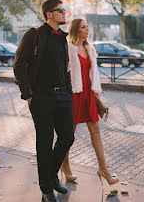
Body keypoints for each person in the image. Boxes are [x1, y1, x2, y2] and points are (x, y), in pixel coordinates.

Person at [13, 0, 74, 202]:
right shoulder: (34, 35)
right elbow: (19, 64)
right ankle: (46, 188)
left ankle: (51, 176)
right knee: (45, 142)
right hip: (41, 97)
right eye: (61, 10)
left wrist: (68, 89)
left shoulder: (62, 38)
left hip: (62, 95)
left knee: (67, 137)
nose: (65, 13)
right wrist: (28, 94)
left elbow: (64, 67)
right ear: (50, 14)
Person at [61, 17, 119, 186]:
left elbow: (94, 75)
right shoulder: (68, 48)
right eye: (84, 27)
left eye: (87, 27)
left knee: (96, 132)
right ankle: (65, 166)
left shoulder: (90, 48)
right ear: (76, 30)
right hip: (73, 95)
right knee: (67, 136)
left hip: (89, 95)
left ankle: (104, 169)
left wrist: (97, 95)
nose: (88, 30)